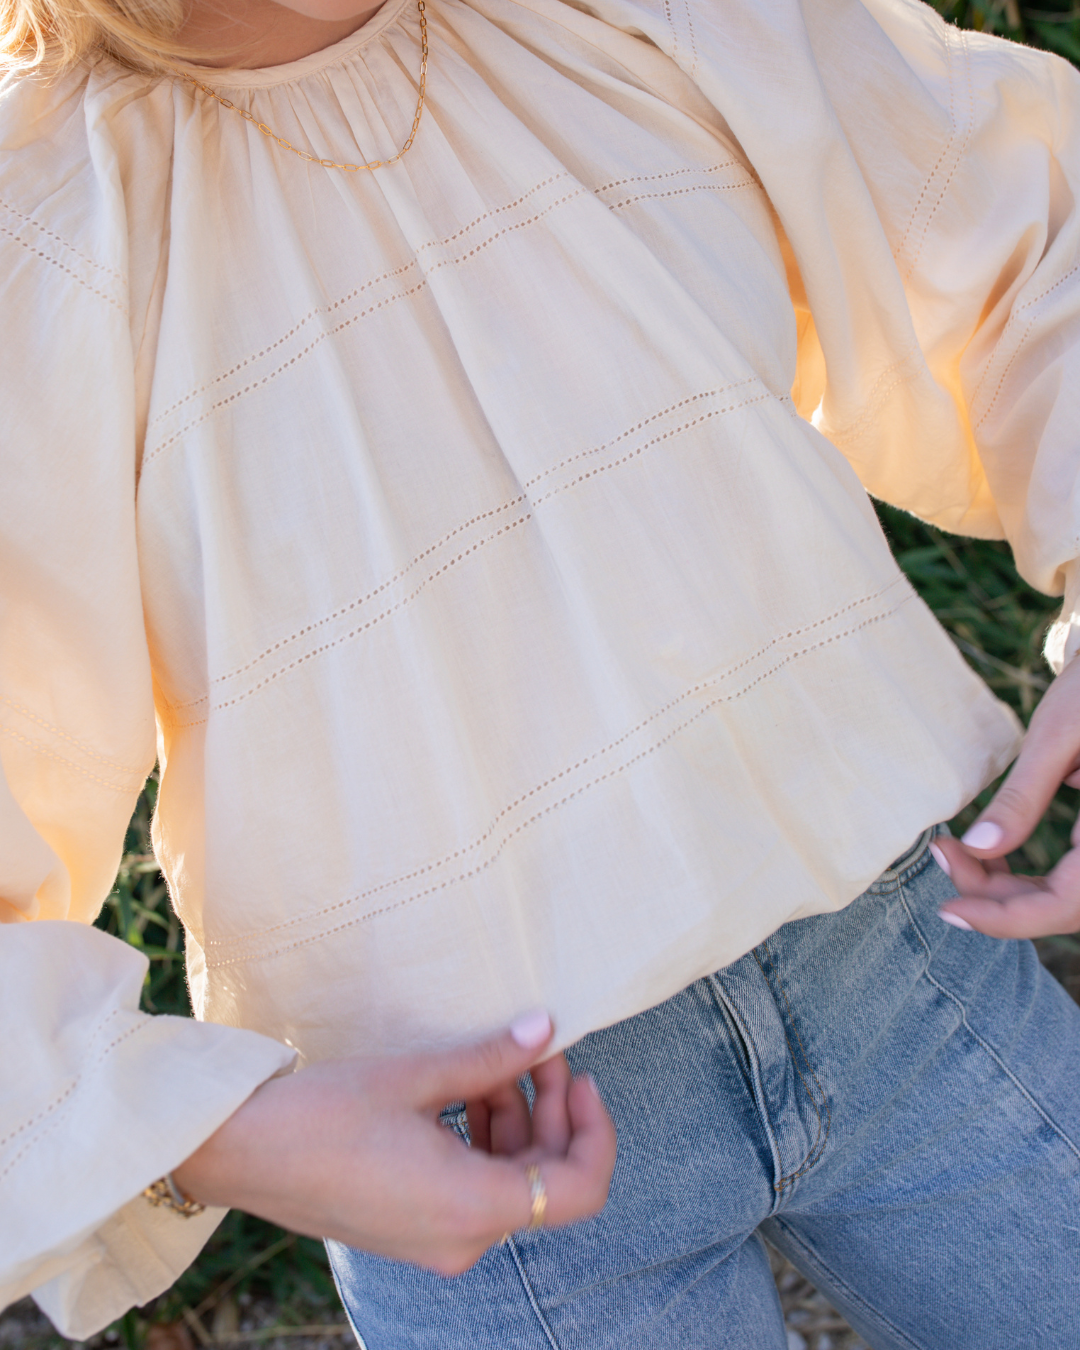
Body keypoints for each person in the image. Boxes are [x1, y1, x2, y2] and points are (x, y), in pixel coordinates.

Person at [2, 0, 1080, 1343]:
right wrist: (204, 1136)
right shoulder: (38, 228)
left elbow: (1016, 220)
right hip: (484, 1172)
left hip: (909, 979)